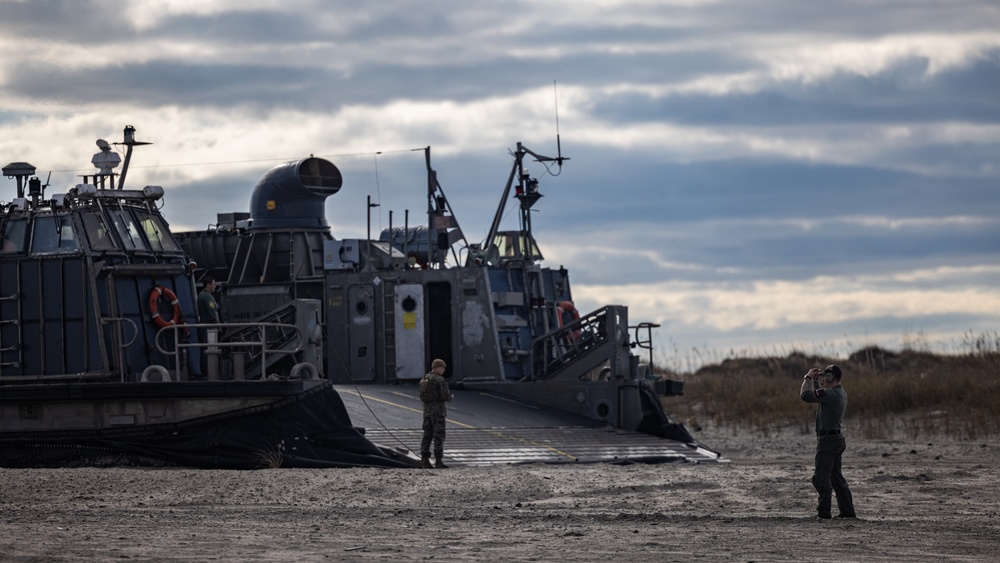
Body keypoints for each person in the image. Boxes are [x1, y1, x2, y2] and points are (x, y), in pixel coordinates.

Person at [801, 364, 857, 519]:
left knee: (820, 477)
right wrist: (815, 380)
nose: (824, 377)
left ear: (831, 377)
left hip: (828, 441)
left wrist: (807, 377)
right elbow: (818, 395)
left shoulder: (831, 395)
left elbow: (806, 396)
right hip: (836, 439)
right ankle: (847, 511)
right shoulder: (840, 393)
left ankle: (824, 512)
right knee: (835, 477)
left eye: (826, 374)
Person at [419, 358, 453, 469]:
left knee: (427, 435)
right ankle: (438, 461)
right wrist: (451, 397)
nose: (443, 370)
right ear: (438, 368)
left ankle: (425, 460)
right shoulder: (439, 380)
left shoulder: (425, 379)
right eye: (443, 368)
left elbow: (422, 397)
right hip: (438, 413)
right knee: (439, 436)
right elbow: (446, 396)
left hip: (427, 413)